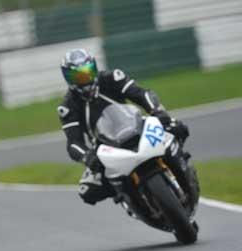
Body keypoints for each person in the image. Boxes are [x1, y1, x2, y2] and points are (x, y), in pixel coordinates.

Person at [57, 48, 190, 204]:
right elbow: (73, 143)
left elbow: (141, 94)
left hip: (135, 126)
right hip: (105, 148)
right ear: (68, 78)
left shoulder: (111, 78)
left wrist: (157, 112)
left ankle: (183, 168)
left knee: (176, 128)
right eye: (78, 76)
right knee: (87, 191)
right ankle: (127, 198)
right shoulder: (67, 107)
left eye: (87, 72)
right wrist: (88, 157)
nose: (84, 79)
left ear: (94, 68)